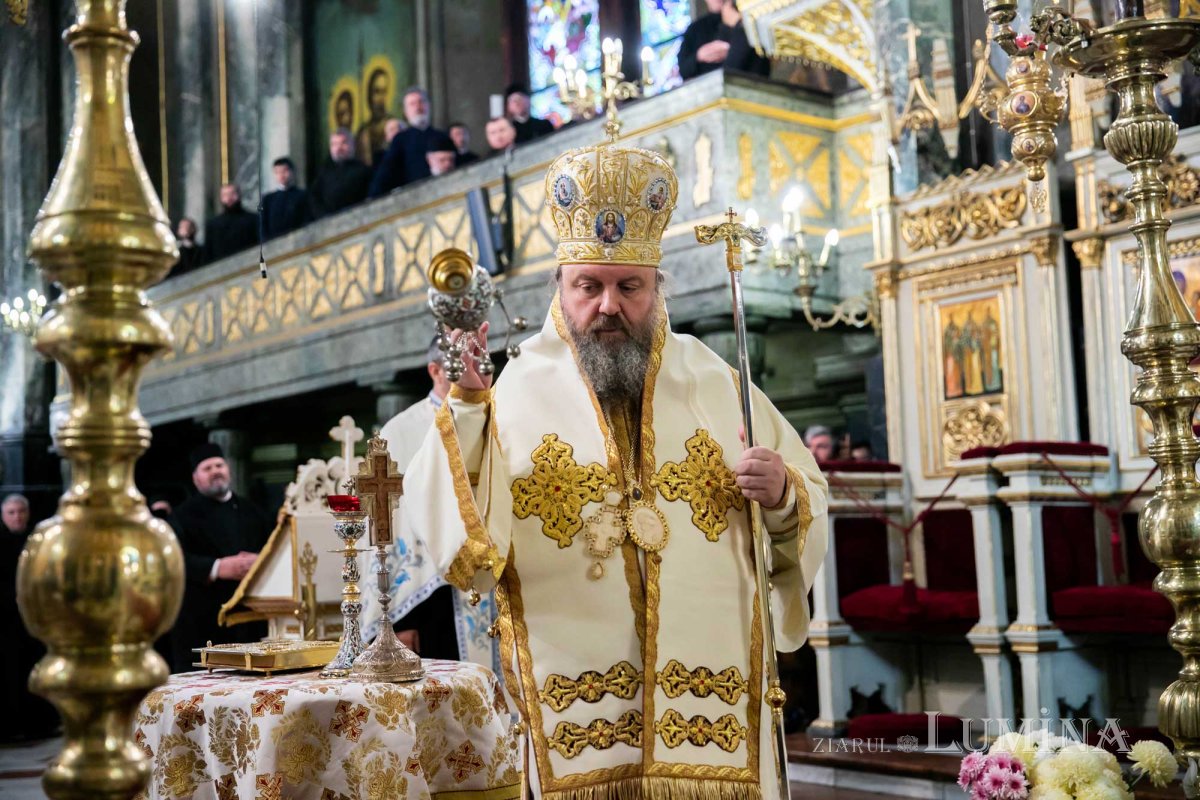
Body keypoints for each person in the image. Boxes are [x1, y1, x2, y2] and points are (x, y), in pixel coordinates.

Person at [406, 137, 827, 799]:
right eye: (589, 286)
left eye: (629, 286)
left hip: (712, 718)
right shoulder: (512, 394)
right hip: (578, 719)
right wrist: (465, 408)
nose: (608, 305)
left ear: (657, 288)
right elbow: (469, 554)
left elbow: (806, 497)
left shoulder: (716, 381)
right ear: (560, 287)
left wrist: (781, 495)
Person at [374, 337, 470, 662]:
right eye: (460, 364)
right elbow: (389, 526)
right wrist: (400, 619)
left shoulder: (495, 419)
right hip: (429, 596)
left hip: (490, 587)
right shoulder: (401, 431)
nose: (471, 371)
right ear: (435, 371)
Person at [168, 443, 273, 672]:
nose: (215, 471)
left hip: (249, 620)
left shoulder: (253, 511)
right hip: (201, 622)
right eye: (207, 468)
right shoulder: (181, 516)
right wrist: (216, 567)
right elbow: (173, 559)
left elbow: (274, 549)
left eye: (219, 465)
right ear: (195, 478)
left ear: (228, 470)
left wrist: (260, 560)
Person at [1, 494, 58, 740]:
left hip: (33, 618)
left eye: (20, 512)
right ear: (3, 516)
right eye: (11, 512)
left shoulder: (36, 544)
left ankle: (38, 724)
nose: (17, 517)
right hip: (6, 620)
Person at [369, 87, 449, 197]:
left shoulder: (442, 136)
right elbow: (386, 172)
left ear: (428, 106)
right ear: (406, 112)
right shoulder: (400, 139)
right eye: (412, 104)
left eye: (421, 101)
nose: (418, 107)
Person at [678, 0, 771, 81]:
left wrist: (738, 24)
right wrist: (699, 56)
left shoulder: (748, 18)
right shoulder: (695, 29)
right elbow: (683, 70)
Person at [309, 128, 374, 218]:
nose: (339, 148)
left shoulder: (364, 171)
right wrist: (324, 217)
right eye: (334, 144)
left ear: (352, 145)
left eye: (343, 143)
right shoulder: (323, 173)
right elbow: (314, 199)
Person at [202, 183, 259, 264]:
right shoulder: (213, 225)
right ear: (221, 198)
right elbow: (208, 254)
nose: (229, 198)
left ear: (239, 195)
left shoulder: (253, 219)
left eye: (232, 193)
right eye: (225, 195)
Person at [259, 157, 311, 240]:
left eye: (284, 171)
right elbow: (263, 227)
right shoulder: (268, 200)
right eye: (277, 172)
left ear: (292, 172)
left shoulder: (303, 195)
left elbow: (307, 221)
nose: (281, 175)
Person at [357, 67, 393, 167]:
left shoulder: (393, 125)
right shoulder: (363, 132)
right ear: (369, 95)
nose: (381, 98)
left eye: (384, 91)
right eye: (377, 92)